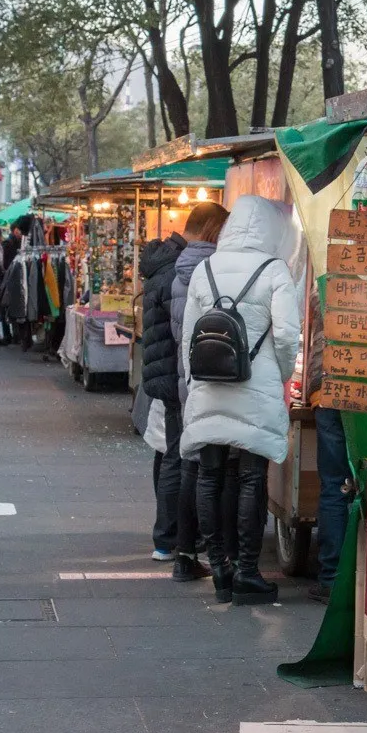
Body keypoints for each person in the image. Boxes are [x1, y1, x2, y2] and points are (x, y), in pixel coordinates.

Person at [180, 196, 301, 605]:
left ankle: (220, 571)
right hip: (255, 385)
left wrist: (192, 378)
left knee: (209, 474)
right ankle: (248, 571)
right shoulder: (274, 270)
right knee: (252, 476)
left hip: (208, 383)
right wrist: (278, 374)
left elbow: (187, 337)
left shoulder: (204, 268)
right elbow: (287, 336)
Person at [169, 202, 230, 582]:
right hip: (208, 381)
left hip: (187, 378)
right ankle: (207, 552)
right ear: (213, 231)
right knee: (207, 470)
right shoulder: (210, 271)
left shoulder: (183, 268)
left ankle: (184, 551)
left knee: (191, 464)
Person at [139, 227, 188, 561]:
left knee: (165, 450)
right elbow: (179, 332)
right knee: (176, 455)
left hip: (161, 374)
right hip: (174, 375)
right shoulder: (176, 273)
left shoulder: (160, 271)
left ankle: (166, 537)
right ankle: (168, 538)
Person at [305, 286, 353, 605]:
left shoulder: (324, 281)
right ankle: (360, 578)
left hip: (326, 389)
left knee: (335, 485)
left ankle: (331, 578)